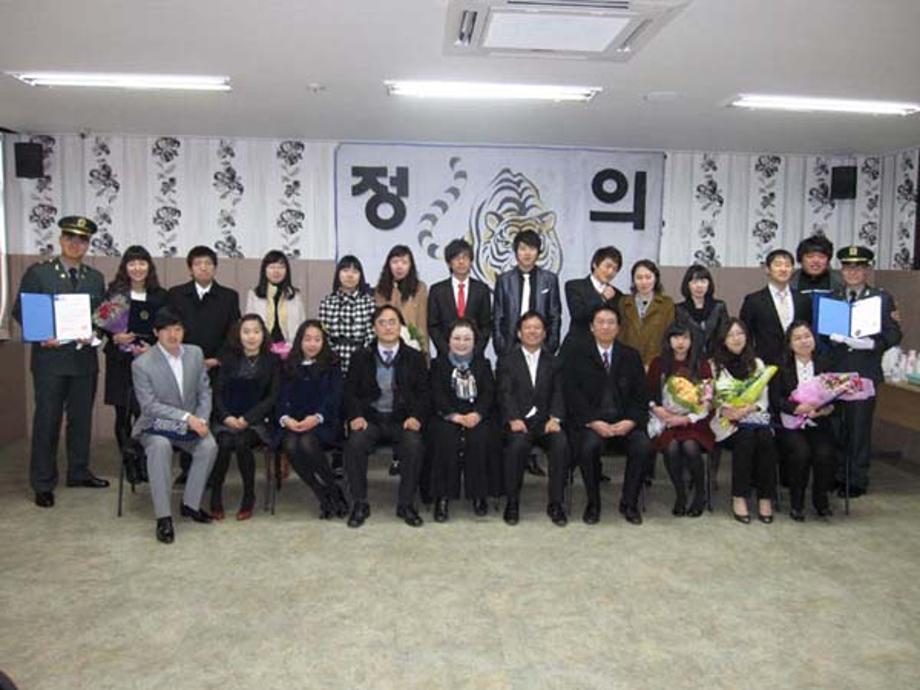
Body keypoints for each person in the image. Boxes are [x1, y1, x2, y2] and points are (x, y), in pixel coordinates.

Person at [13, 216, 108, 508]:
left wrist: (95, 333)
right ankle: (43, 482)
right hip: (50, 361)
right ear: (61, 240)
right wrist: (41, 334)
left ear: (88, 244)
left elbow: (102, 315)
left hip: (83, 361)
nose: (76, 244)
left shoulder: (95, 277)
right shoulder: (39, 273)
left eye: (82, 240)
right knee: (47, 421)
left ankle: (78, 472)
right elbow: (21, 310)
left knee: (81, 421)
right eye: (70, 238)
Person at [131, 308, 218, 544]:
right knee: (160, 447)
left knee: (208, 446)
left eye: (178, 329)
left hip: (190, 424)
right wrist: (187, 418)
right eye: (167, 330)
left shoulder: (195, 353)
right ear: (155, 332)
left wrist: (202, 420)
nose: (173, 335)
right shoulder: (142, 364)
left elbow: (204, 391)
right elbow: (149, 406)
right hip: (155, 425)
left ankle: (190, 504)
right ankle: (164, 517)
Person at [343, 305, 430, 528]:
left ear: (401, 326)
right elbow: (350, 392)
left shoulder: (414, 357)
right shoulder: (361, 356)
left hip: (402, 419)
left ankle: (406, 504)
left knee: (414, 445)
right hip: (371, 419)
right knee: (354, 444)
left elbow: (424, 393)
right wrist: (355, 416)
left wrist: (416, 417)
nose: (388, 327)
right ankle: (360, 503)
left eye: (393, 322)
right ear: (374, 328)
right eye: (382, 322)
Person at [826, 245, 902, 498]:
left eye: (858, 267)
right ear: (841, 270)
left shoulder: (881, 298)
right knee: (836, 426)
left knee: (858, 428)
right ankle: (838, 474)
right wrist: (829, 337)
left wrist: (872, 344)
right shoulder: (833, 297)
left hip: (864, 370)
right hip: (836, 372)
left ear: (867, 270)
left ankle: (856, 478)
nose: (852, 272)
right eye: (848, 267)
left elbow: (894, 333)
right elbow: (821, 334)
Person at [565, 305, 651, 525]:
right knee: (588, 447)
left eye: (611, 322)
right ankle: (593, 503)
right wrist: (593, 421)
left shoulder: (631, 356)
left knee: (642, 446)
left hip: (624, 422)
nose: (606, 327)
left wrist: (630, 421)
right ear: (591, 327)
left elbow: (641, 396)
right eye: (600, 322)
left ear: (618, 327)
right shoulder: (576, 355)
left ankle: (629, 503)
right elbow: (572, 395)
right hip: (592, 423)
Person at [167, 245, 241, 483]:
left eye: (208, 263)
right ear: (190, 269)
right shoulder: (176, 294)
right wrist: (186, 357)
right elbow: (170, 330)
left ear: (215, 267)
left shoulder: (229, 296)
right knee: (188, 416)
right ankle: (188, 469)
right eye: (198, 263)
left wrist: (217, 359)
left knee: (213, 417)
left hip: (217, 366)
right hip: (184, 365)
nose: (203, 267)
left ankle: (211, 472)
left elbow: (234, 333)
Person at [101, 245, 168, 480]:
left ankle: (145, 461)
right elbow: (102, 325)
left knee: (145, 413)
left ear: (149, 266)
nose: (137, 268)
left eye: (142, 263)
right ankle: (129, 463)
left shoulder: (160, 295)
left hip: (149, 361)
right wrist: (115, 336)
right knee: (123, 414)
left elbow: (166, 327)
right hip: (120, 361)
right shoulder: (115, 293)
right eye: (132, 263)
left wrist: (154, 346)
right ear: (125, 267)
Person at [497, 311, 569, 526]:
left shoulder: (554, 361)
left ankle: (556, 503)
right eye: (528, 328)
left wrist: (555, 418)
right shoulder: (507, 361)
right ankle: (512, 502)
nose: (533, 331)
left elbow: (559, 392)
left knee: (561, 445)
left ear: (545, 333)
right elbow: (504, 393)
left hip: (546, 422)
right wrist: (513, 418)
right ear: (519, 333)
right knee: (516, 446)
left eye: (537, 328)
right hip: (519, 421)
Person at [209, 314, 280, 521]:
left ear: (263, 334)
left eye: (256, 331)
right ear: (238, 335)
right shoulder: (228, 359)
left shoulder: (272, 361)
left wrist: (248, 419)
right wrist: (226, 417)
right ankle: (215, 494)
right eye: (246, 332)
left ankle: (249, 495)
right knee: (223, 443)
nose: (251, 336)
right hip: (226, 419)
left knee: (241, 442)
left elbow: (272, 397)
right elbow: (217, 393)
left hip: (257, 422)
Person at [277, 320, 349, 519]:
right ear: (299, 341)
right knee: (290, 444)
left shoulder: (332, 363)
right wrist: (285, 418)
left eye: (317, 339)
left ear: (324, 342)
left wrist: (317, 417)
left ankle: (333, 489)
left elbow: (335, 398)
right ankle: (321, 493)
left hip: (325, 423)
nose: (312, 344)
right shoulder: (288, 365)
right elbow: (280, 397)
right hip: (295, 422)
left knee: (307, 442)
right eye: (307, 339)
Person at [709, 318, 778, 525]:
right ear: (723, 339)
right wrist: (726, 409)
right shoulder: (714, 365)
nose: (736, 338)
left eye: (740, 333)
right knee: (746, 438)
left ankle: (765, 498)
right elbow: (710, 399)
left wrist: (748, 409)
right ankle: (739, 496)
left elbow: (764, 399)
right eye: (730, 335)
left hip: (753, 418)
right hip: (726, 424)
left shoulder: (757, 363)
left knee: (765, 437)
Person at [429, 319, 495, 522]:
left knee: (480, 438)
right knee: (445, 439)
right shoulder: (438, 364)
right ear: (448, 340)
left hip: (476, 416)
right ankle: (442, 497)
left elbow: (489, 394)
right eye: (456, 338)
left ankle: (479, 495)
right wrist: (454, 416)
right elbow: (436, 395)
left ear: (475, 342)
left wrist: (477, 414)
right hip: (447, 415)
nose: (462, 343)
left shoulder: (483, 364)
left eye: (467, 339)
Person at [646, 322, 714, 518]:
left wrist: (686, 418)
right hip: (666, 420)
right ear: (668, 340)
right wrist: (658, 409)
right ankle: (681, 494)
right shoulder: (658, 363)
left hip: (695, 421)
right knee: (671, 446)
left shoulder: (701, 364)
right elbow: (648, 394)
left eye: (685, 338)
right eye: (676, 337)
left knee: (690, 445)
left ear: (692, 341)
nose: (680, 342)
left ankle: (700, 494)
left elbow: (707, 401)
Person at [771, 321, 837, 520]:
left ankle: (821, 501)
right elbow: (775, 399)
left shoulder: (826, 364)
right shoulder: (781, 366)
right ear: (790, 344)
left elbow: (837, 395)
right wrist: (796, 408)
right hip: (790, 423)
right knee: (801, 453)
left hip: (818, 421)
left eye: (807, 336)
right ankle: (797, 504)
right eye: (797, 338)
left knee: (825, 453)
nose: (803, 341)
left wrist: (826, 409)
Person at [492, 229, 562, 357]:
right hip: (510, 346)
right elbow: (498, 316)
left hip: (542, 346)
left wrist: (551, 345)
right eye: (523, 248)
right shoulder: (504, 280)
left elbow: (555, 315)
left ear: (538, 252)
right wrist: (501, 346)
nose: (527, 253)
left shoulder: (549, 280)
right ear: (516, 252)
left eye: (532, 248)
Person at [739, 248, 811, 366]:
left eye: (787, 265)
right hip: (765, 364)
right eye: (778, 265)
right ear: (767, 269)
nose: (783, 269)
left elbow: (809, 332)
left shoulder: (803, 300)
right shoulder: (753, 301)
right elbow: (746, 334)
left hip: (797, 363)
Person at [427, 238, 492, 359]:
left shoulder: (481, 289)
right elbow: (433, 325)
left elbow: (486, 325)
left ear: (471, 261)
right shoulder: (437, 290)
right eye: (456, 258)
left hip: (475, 357)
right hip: (445, 357)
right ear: (449, 263)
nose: (461, 262)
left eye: (465, 257)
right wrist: (447, 350)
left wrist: (474, 350)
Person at [318, 255, 376, 376]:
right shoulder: (327, 302)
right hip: (332, 362)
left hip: (361, 362)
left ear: (360, 276)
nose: (350, 275)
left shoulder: (369, 302)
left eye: (355, 271)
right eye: (345, 270)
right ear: (338, 274)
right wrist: (333, 356)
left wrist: (361, 356)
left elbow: (372, 334)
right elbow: (323, 334)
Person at [561, 246, 624, 357]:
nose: (610, 272)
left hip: (603, 353)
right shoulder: (574, 286)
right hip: (576, 349)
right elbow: (578, 314)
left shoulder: (617, 295)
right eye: (608, 266)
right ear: (595, 264)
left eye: (615, 269)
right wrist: (602, 298)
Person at [374, 245, 429, 358]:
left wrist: (424, 349)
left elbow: (422, 322)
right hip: (387, 345)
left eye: (404, 262)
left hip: (413, 344)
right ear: (388, 265)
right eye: (395, 262)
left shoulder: (420, 288)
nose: (399, 266)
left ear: (410, 266)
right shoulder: (380, 290)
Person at [618, 259, 675, 368]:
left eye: (648, 277)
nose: (644, 282)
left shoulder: (667, 304)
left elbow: (669, 335)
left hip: (656, 363)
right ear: (633, 280)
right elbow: (620, 335)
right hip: (627, 362)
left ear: (655, 278)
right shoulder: (624, 302)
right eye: (639, 278)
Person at [244, 250, 306, 348]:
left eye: (281, 267)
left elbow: (302, 324)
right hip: (262, 348)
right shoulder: (254, 295)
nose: (276, 271)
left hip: (290, 347)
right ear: (264, 270)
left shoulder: (295, 295)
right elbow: (249, 324)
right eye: (272, 267)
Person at [673, 264, 730, 360]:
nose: (699, 286)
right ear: (687, 285)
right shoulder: (679, 309)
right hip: (688, 360)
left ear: (709, 284)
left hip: (716, 359)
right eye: (695, 282)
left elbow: (724, 335)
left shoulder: (719, 307)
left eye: (703, 281)